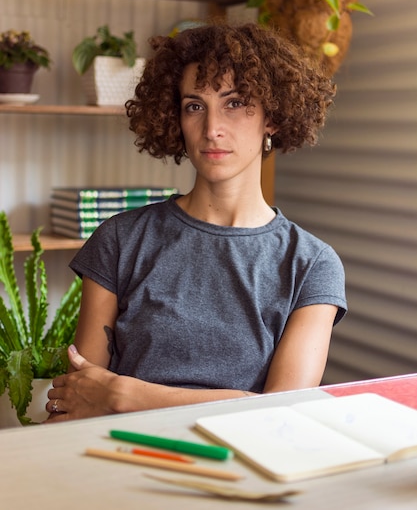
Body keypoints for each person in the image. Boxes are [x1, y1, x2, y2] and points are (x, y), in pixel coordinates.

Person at [46, 21, 347, 422]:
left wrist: (128, 394)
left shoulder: (310, 264)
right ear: (176, 120)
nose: (212, 129)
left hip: (244, 466)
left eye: (235, 103)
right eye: (194, 106)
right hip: (118, 457)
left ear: (272, 117)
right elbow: (78, 401)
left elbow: (282, 413)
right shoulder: (120, 240)